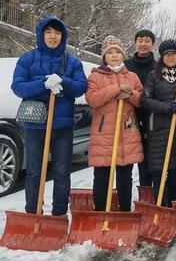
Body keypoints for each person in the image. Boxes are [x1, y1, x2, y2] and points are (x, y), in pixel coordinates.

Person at [12, 16, 87, 216]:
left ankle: (59, 214)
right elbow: (18, 87)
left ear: (62, 36)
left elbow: (81, 87)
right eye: (48, 32)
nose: (53, 37)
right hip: (36, 126)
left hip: (62, 128)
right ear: (41, 34)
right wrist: (43, 83)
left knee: (62, 172)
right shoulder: (27, 59)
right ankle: (33, 213)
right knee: (35, 172)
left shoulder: (72, 61)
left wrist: (63, 81)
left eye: (57, 33)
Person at [86, 36, 144, 211]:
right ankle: (100, 211)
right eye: (110, 52)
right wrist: (115, 90)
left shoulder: (132, 76)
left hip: (127, 134)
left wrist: (130, 95)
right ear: (104, 56)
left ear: (123, 55)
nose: (114, 55)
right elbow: (92, 99)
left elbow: (141, 100)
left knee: (125, 177)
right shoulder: (96, 76)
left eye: (118, 52)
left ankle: (124, 211)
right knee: (102, 176)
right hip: (104, 134)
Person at [141, 40, 176, 206]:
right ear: (162, 56)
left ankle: (173, 208)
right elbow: (145, 100)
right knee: (159, 171)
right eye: (167, 54)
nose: (170, 57)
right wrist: (169, 107)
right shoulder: (153, 76)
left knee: (174, 172)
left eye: (173, 54)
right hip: (158, 129)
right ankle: (160, 207)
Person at [124, 29, 156, 188]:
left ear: (152, 44)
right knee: (128, 157)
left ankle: (146, 193)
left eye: (147, 41)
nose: (143, 44)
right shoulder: (126, 66)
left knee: (149, 159)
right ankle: (126, 196)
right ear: (135, 43)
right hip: (129, 117)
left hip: (151, 118)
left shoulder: (157, 67)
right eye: (140, 40)